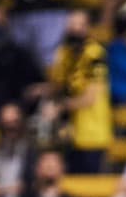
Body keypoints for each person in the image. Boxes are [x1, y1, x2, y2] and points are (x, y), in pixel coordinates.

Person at [47, 9, 112, 174]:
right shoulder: (62, 52)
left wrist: (60, 107)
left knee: (88, 186)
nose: (76, 28)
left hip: (92, 134)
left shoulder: (95, 54)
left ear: (87, 27)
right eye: (72, 24)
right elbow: (58, 85)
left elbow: (89, 97)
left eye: (80, 24)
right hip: (68, 135)